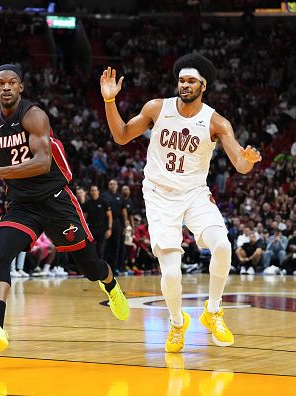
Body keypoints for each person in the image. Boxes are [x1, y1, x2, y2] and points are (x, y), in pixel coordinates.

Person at [0, 64, 129, 352]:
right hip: (22, 205)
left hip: (55, 200)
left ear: (21, 87)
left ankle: (111, 285)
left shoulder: (34, 116)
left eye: (12, 82)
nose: (6, 87)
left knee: (90, 266)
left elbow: (42, 163)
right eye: (0, 83)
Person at [100, 53, 262, 353]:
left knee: (223, 246)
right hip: (160, 195)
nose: (184, 85)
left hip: (195, 193)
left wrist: (249, 160)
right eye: (181, 80)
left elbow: (240, 164)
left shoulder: (216, 121)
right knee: (171, 273)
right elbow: (121, 136)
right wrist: (110, 102)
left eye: (191, 81)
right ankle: (177, 323)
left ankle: (213, 310)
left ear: (204, 86)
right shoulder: (157, 108)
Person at [83, 185, 112, 258]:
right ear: (90, 192)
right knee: (90, 249)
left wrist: (109, 229)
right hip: (91, 229)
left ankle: (101, 267)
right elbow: (84, 217)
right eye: (92, 190)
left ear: (98, 191)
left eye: (95, 190)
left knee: (100, 250)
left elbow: (110, 216)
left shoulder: (104, 202)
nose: (93, 192)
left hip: (102, 229)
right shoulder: (87, 203)